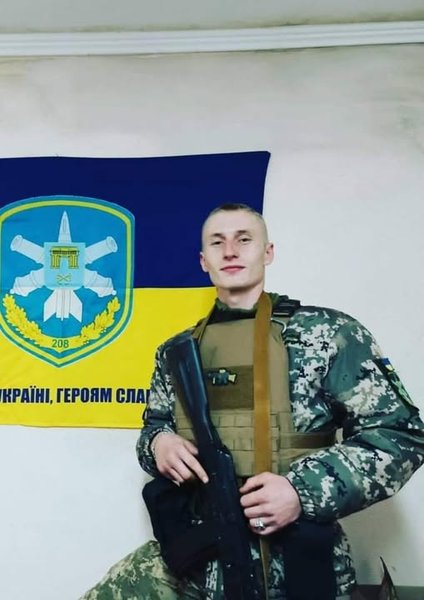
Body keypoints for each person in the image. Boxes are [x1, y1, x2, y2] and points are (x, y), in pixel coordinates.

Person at [81, 203, 424, 600]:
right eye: (217, 242)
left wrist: (301, 490)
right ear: (203, 261)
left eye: (244, 239)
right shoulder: (177, 351)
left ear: (268, 252)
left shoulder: (327, 334)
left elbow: (400, 435)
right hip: (197, 559)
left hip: (295, 567)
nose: (230, 251)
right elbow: (154, 426)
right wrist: (159, 443)